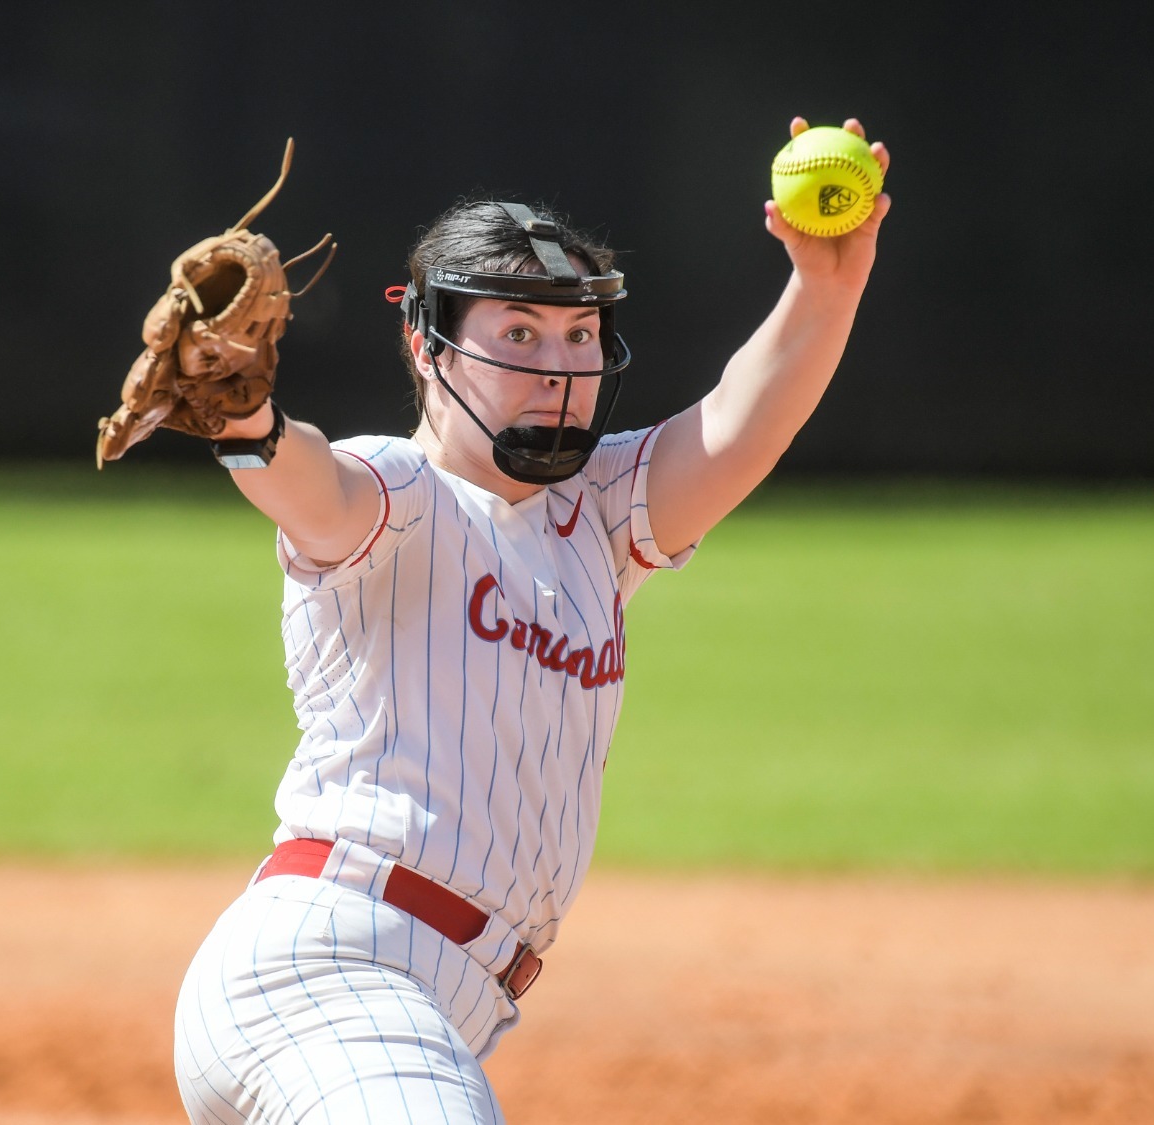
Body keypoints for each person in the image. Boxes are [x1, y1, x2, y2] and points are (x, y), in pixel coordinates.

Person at [172, 117, 892, 1124]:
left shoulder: (593, 515)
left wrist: (826, 287)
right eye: (516, 333)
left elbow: (736, 425)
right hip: (325, 977)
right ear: (426, 350)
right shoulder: (399, 490)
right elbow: (312, 490)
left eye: (577, 334)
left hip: (429, 1003)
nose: (557, 364)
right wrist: (242, 420)